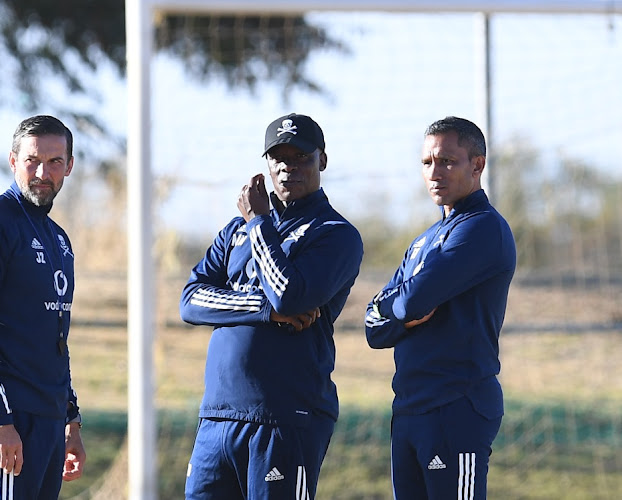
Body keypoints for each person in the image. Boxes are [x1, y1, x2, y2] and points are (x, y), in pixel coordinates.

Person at [180, 113, 364, 500]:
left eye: (300, 156)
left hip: (286, 416)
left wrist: (260, 222)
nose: (287, 166)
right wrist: (262, 308)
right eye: (278, 157)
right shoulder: (236, 230)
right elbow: (191, 300)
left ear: (322, 161)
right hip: (218, 415)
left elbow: (290, 297)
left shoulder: (335, 234)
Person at [364, 116, 516, 499]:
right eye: (427, 162)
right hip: (409, 409)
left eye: (448, 161)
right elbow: (373, 326)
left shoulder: (482, 228)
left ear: (477, 164)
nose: (435, 172)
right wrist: (402, 309)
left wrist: (400, 306)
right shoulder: (423, 241)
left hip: (456, 406)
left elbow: (413, 299)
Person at [0, 115, 85, 499]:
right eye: (32, 160)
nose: (43, 172)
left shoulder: (59, 239)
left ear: (69, 166)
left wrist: (69, 421)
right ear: (13, 161)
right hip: (11, 419)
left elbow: (55, 339)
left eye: (55, 161)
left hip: (49, 420)